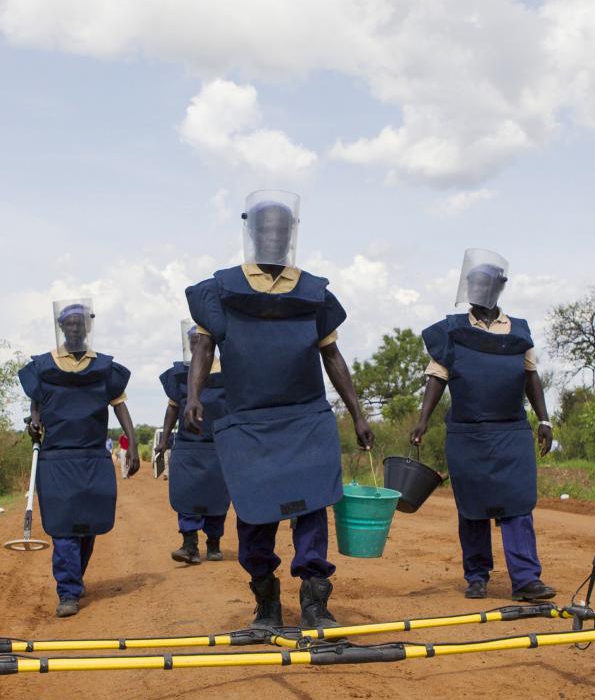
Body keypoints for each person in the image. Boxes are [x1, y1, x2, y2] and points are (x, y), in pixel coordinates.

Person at [185, 190, 373, 629]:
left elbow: (332, 356)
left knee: (312, 508)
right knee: (256, 512)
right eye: (266, 228)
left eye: (281, 228)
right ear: (252, 233)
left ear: (291, 234)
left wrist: (358, 413)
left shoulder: (312, 292)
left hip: (305, 418)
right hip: (250, 422)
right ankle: (267, 601)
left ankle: (314, 602)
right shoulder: (220, 291)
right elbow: (204, 349)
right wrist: (194, 396)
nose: (273, 235)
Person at [412, 250, 557, 603]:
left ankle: (526, 579)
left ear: (499, 286)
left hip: (511, 433)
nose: (478, 288)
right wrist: (423, 420)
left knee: (518, 503)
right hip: (468, 434)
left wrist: (544, 419)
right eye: (473, 282)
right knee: (472, 506)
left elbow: (531, 376)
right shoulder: (452, 331)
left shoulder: (518, 330)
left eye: (485, 282)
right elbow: (437, 377)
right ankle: (476, 577)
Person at [19, 299, 139, 618]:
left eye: (80, 324)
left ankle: (75, 576)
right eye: (69, 324)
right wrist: (34, 423)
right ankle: (68, 591)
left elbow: (119, 406)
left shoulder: (103, 368)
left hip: (93, 456)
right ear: (61, 327)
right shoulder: (44, 366)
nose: (75, 328)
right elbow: (36, 405)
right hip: (56, 458)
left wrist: (132, 444)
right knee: (63, 527)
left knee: (88, 524)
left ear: (87, 328)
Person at [157, 322, 230, 565]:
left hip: (218, 445)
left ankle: (214, 543)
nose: (194, 345)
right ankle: (189, 545)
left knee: (217, 495)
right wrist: (165, 439)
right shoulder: (180, 374)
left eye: (198, 341)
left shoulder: (228, 371)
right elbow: (172, 408)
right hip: (188, 445)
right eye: (191, 342)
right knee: (186, 494)